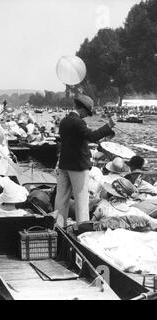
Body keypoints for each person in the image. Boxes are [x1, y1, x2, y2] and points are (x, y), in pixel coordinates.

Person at [55, 94, 115, 227]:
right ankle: (82, 229)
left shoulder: (64, 120)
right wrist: (109, 125)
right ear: (82, 109)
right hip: (78, 166)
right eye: (87, 113)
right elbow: (92, 136)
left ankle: (59, 226)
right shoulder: (78, 122)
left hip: (64, 164)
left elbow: (77, 138)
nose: (86, 116)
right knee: (82, 199)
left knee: (61, 198)